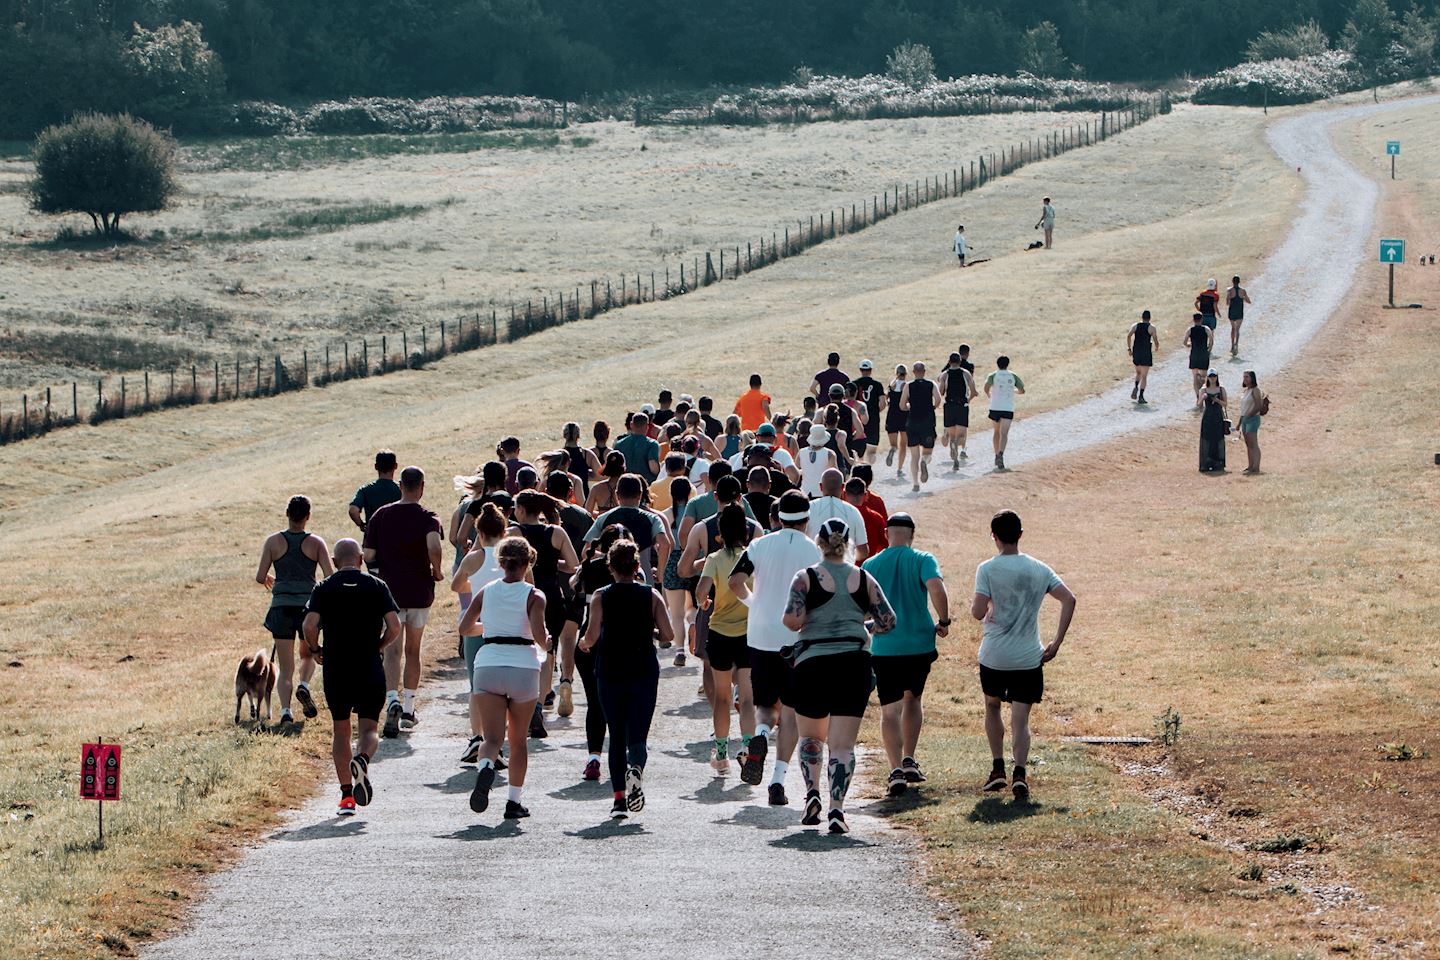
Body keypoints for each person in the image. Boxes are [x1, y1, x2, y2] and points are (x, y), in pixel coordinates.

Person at [781, 518, 896, 833]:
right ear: (847, 543)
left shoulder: (805, 579)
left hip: (813, 663)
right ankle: (837, 810)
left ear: (818, 542)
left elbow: (792, 621)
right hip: (853, 663)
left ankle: (812, 794)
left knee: (811, 738)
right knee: (843, 746)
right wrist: (862, 626)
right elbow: (888, 620)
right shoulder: (863, 578)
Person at [971, 510, 1076, 800]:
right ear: (1020, 534)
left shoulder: (987, 569)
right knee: (1021, 719)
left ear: (994, 536)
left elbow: (978, 612)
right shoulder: (1039, 569)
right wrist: (1056, 642)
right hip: (1029, 656)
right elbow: (1069, 599)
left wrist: (989, 604)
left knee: (992, 707)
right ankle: (1020, 773)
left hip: (994, 655)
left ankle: (997, 769)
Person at [728, 491, 822, 802]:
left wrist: (753, 602)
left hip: (759, 633)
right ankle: (778, 780)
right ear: (807, 520)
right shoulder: (814, 550)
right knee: (792, 712)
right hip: (796, 636)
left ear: (777, 517)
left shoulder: (759, 544)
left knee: (765, 705)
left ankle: (759, 736)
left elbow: (734, 581)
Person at [302, 539, 401, 815]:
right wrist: (380, 645)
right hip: (369, 665)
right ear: (360, 559)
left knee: (341, 731)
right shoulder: (377, 586)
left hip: (337, 667)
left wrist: (315, 648)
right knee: (369, 730)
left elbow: (309, 624)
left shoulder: (324, 588)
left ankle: (347, 797)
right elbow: (395, 625)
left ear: (334, 562)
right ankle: (363, 759)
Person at [580, 540, 674, 818]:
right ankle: (636, 767)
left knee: (616, 734)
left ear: (610, 567)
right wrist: (653, 633)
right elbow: (669, 635)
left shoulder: (601, 595)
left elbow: (592, 635)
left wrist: (584, 645)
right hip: (643, 669)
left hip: (610, 670)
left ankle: (619, 800)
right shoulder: (651, 596)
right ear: (637, 567)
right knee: (638, 735)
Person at [460, 537, 548, 821]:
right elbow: (537, 635)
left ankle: (485, 767)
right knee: (518, 740)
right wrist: (547, 642)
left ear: (500, 563)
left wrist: (491, 627)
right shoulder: (535, 596)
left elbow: (465, 627)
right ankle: (513, 801)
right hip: (522, 667)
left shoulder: (487, 591)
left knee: (492, 738)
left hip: (489, 663)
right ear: (527, 563)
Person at [862, 513, 948, 796]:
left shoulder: (871, 564)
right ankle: (909, 758)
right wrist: (943, 621)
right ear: (912, 533)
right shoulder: (923, 559)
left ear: (886, 533)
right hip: (919, 643)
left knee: (889, 710)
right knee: (914, 699)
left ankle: (895, 768)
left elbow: (862, 605)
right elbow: (936, 586)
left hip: (884, 645)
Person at [362, 466, 444, 738]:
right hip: (420, 592)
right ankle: (409, 708)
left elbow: (369, 553)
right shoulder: (428, 517)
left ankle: (392, 701)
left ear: (400, 485)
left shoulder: (380, 515)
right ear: (422, 486)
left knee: (392, 652)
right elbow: (434, 545)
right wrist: (437, 569)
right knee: (413, 650)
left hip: (390, 595)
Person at [256, 495, 334, 725]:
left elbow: (260, 576)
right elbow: (330, 576)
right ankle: (305, 685)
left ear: (287, 514)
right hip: (308, 608)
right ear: (307, 517)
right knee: (308, 653)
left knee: (285, 665)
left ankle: (286, 712)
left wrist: (273, 579)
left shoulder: (273, 542)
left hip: (281, 607)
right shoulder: (316, 543)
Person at [511, 491, 579, 737]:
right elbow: (573, 565)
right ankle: (539, 704)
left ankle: (523, 703)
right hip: (552, 595)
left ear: (520, 510)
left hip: (523, 596)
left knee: (522, 648)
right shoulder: (557, 533)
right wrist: (551, 563)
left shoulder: (514, 534)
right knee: (547, 651)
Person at [696, 505, 758, 775]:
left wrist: (706, 601)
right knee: (747, 697)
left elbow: (700, 593)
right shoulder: (752, 557)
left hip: (720, 631)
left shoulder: (714, 558)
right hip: (748, 633)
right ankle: (747, 748)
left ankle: (721, 754)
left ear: (720, 532)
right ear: (745, 530)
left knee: (721, 697)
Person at [571, 526, 631, 782]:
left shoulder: (590, 567)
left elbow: (574, 585)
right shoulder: (631, 573)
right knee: (622, 702)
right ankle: (624, 755)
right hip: (621, 642)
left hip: (589, 641)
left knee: (594, 703)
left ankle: (593, 758)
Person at [451, 501, 508, 763]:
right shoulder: (511, 557)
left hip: (476, 627)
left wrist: (473, 590)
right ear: (503, 532)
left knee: (476, 685)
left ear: (480, 533)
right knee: (502, 687)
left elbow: (456, 586)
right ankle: (497, 739)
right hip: (505, 627)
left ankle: (477, 737)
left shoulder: (473, 559)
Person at [586, 474, 671, 585]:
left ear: (617, 495)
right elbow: (665, 544)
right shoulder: (652, 518)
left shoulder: (603, 518)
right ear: (640, 495)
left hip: (609, 580)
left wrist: (606, 556)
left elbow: (586, 550)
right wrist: (660, 572)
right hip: (642, 579)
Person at [660, 477, 698, 668]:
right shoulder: (695, 514)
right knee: (692, 606)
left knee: (675, 613)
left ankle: (680, 650)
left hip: (671, 561)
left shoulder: (664, 515)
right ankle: (693, 624)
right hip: (692, 559)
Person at [807, 468, 870, 561]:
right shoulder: (853, 511)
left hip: (814, 570)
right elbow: (863, 551)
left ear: (820, 486)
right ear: (842, 487)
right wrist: (849, 559)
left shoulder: (808, 509)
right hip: (844, 570)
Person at [348, 451, 401, 551]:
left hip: (373, 543)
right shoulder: (402, 489)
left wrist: (362, 525)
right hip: (397, 541)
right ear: (395, 466)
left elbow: (353, 510)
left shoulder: (365, 490)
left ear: (376, 466)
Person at [899, 360, 938, 492]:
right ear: (924, 372)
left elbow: (902, 405)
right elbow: (938, 399)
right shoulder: (931, 384)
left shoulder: (908, 386)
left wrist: (909, 407)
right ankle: (925, 462)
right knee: (927, 452)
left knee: (914, 455)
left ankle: (915, 483)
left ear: (914, 372)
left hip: (912, 423)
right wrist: (933, 407)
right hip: (927, 422)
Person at [984, 356, 1025, 471]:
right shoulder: (1013, 375)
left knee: (996, 432)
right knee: (1004, 433)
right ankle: (1001, 454)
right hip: (1007, 407)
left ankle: (996, 454)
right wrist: (1015, 391)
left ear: (997, 364)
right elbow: (1022, 390)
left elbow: (986, 387)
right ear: (1008, 364)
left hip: (995, 407)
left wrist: (989, 394)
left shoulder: (993, 375)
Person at [939, 351, 978, 469]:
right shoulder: (966, 373)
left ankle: (955, 458)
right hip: (962, 406)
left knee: (952, 435)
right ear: (960, 362)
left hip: (949, 406)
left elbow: (941, 392)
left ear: (949, 362)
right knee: (961, 436)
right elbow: (973, 391)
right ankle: (956, 446)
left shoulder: (944, 375)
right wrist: (969, 399)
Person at [851, 360, 886, 463]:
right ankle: (869, 469)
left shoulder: (854, 384)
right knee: (872, 449)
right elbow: (883, 403)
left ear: (860, 370)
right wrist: (875, 411)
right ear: (871, 370)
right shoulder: (877, 385)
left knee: (857, 449)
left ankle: (858, 467)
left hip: (857, 419)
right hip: (873, 420)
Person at [843, 477, 887, 556]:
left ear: (845, 495)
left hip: (844, 566)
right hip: (870, 566)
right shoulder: (876, 517)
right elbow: (885, 546)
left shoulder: (838, 516)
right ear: (866, 495)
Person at [561, 422, 603, 499]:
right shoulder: (587, 454)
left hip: (563, 497)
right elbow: (600, 475)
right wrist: (586, 474)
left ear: (564, 435)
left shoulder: (558, 454)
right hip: (583, 497)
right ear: (578, 435)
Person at [615, 413, 661, 482]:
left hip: (624, 484)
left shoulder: (619, 444)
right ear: (647, 427)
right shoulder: (652, 444)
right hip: (645, 484)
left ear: (631, 425)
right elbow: (653, 468)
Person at [1199, 369, 1228, 473]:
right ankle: (1205, 462)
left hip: (1218, 416)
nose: (1212, 378)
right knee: (1206, 438)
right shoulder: (1204, 389)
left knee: (1218, 438)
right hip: (1207, 416)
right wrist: (1203, 398)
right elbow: (1198, 404)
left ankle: (1218, 462)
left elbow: (1225, 404)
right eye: (1210, 376)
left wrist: (1217, 401)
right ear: (1208, 377)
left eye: (1214, 376)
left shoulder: (1221, 389)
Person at [798, 423, 838, 498]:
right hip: (822, 492)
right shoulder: (830, 454)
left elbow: (796, 471)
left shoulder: (801, 452)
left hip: (804, 492)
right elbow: (835, 475)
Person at [1127, 310, 1159, 404]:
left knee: (1138, 373)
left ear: (1142, 317)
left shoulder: (1135, 326)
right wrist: (1157, 346)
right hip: (1146, 352)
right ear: (1150, 318)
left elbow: (1129, 336)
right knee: (1144, 376)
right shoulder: (1152, 328)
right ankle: (1141, 396)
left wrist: (1129, 348)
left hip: (1136, 351)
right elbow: (1155, 339)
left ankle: (1136, 386)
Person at [1238, 370, 1266, 475]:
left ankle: (1256, 466)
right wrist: (1239, 422)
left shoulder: (1255, 390)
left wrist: (1250, 414)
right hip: (1245, 418)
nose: (1245, 379)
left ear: (1252, 378)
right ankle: (1250, 465)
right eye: (1244, 377)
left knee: (1253, 443)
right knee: (1248, 443)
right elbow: (1243, 409)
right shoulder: (1246, 391)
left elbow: (1259, 405)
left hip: (1253, 418)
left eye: (1247, 377)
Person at [884, 364, 909, 472]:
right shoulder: (907, 386)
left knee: (894, 444)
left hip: (892, 416)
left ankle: (892, 450)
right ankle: (899, 468)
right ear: (906, 374)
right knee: (903, 445)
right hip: (904, 416)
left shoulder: (891, 385)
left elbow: (886, 399)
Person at [1185, 313, 1213, 405]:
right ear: (1201, 320)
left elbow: (1184, 342)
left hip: (1194, 355)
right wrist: (1209, 349)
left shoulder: (1190, 330)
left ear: (1193, 320)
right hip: (1203, 354)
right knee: (1204, 377)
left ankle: (1198, 396)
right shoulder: (1206, 329)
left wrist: (1189, 345)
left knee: (1194, 377)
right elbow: (1211, 340)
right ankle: (1203, 393)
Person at [1226, 276, 1252, 358]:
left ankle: (1232, 345)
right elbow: (1249, 301)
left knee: (1232, 328)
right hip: (1239, 311)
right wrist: (1243, 298)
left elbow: (1227, 302)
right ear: (1239, 281)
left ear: (1232, 281)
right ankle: (1236, 344)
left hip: (1232, 311)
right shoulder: (1243, 291)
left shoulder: (1229, 291)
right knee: (1237, 329)